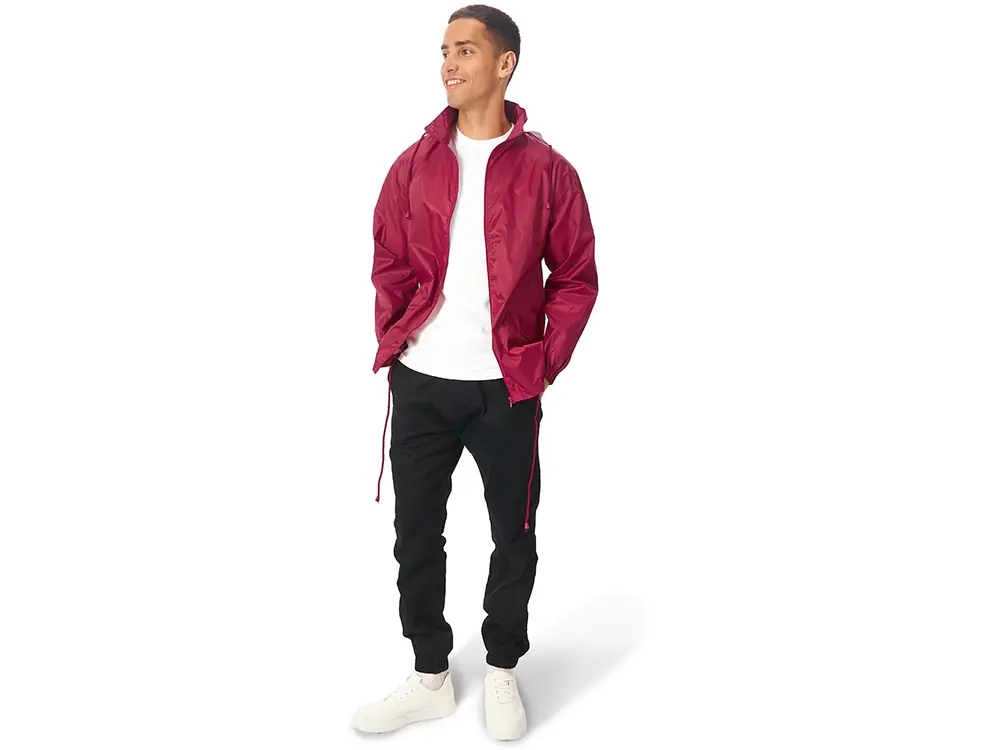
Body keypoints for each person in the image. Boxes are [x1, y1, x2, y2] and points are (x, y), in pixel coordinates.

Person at [351, 4, 598, 740]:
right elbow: (388, 258)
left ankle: (501, 668)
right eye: (444, 50)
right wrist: (399, 336)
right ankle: (429, 674)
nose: (448, 64)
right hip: (421, 384)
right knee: (415, 536)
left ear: (504, 63)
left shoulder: (548, 171)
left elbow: (576, 276)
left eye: (464, 50)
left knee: (512, 536)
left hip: (506, 389)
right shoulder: (415, 163)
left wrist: (541, 363)